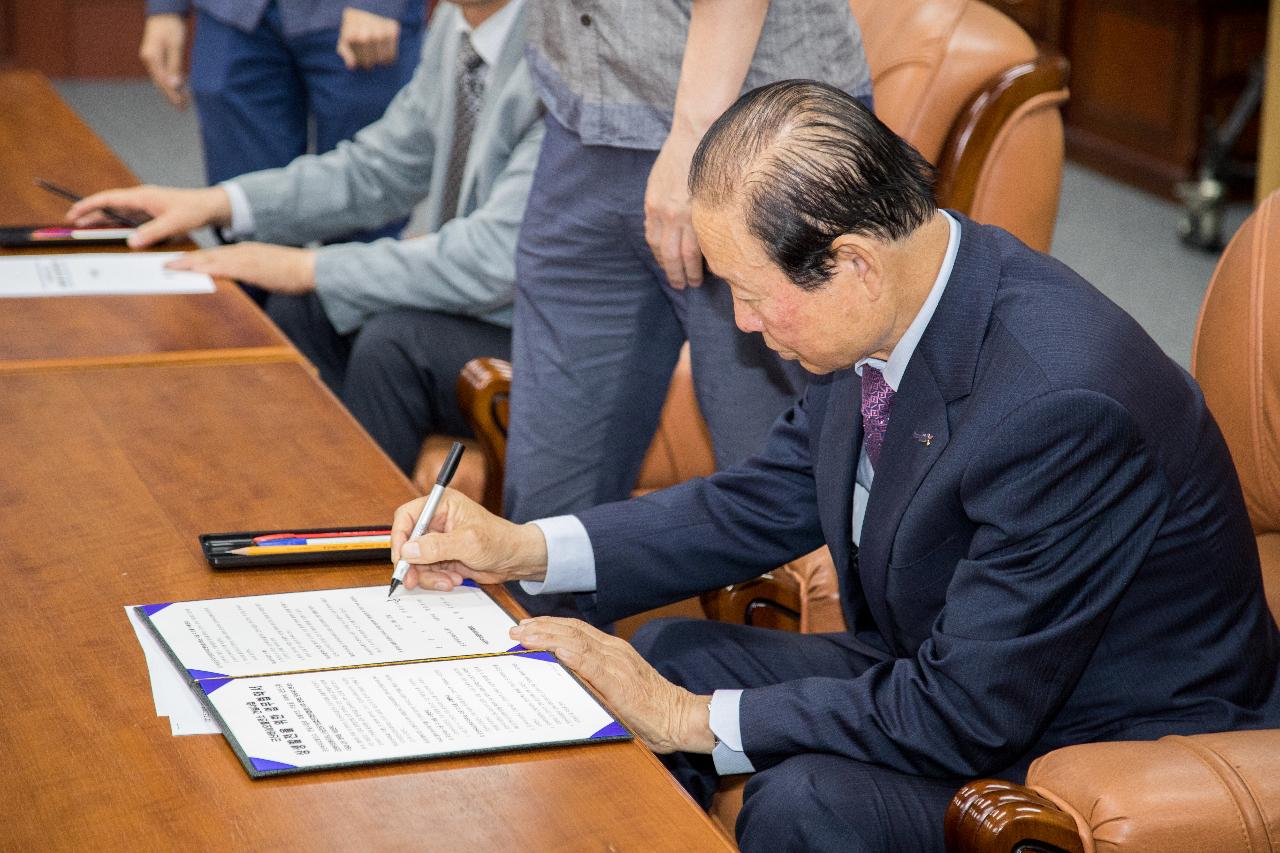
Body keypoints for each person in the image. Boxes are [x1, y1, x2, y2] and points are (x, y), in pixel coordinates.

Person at [384, 81, 1280, 851]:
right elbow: (757, 503)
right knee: (670, 647)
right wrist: (522, 546)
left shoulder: (1059, 403)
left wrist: (686, 718)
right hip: (955, 660)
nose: (739, 325)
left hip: (1099, 726)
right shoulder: (898, 302)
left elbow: (968, 710)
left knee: (804, 801)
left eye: (747, 291)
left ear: (848, 264)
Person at [72, 0, 540, 475]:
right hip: (483, 298)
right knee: (305, 309)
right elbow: (377, 169)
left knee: (392, 344)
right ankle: (290, 498)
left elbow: (498, 259)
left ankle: (362, 527)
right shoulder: (456, 23)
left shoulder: (560, 52)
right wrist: (217, 202)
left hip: (545, 329)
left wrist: (305, 267)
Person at [502, 1, 874, 526]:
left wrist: (695, 139)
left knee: (778, 487)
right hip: (582, 122)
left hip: (762, 137)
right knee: (548, 507)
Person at [140, 0, 425, 188]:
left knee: (369, 190)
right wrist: (166, 7)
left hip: (356, 13)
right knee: (242, 205)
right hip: (230, 13)